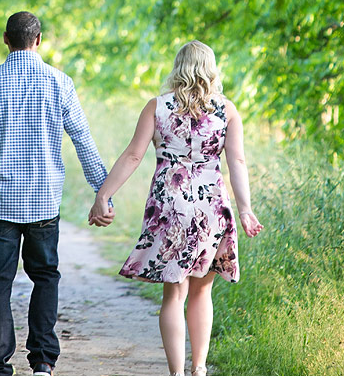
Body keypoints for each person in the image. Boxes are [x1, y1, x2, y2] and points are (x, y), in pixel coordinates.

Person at [0, 11, 114, 376]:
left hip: (0, 203)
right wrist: (104, 193)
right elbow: (84, 141)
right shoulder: (60, 83)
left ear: (5, 40)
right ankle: (42, 361)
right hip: (43, 201)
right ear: (39, 40)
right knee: (45, 276)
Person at [88, 40, 263, 377]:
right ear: (211, 70)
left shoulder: (158, 106)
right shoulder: (227, 111)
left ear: (178, 68)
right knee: (202, 289)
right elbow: (236, 160)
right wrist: (245, 209)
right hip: (212, 204)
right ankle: (199, 368)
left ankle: (177, 373)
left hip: (171, 203)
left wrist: (103, 196)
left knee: (174, 293)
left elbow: (133, 156)